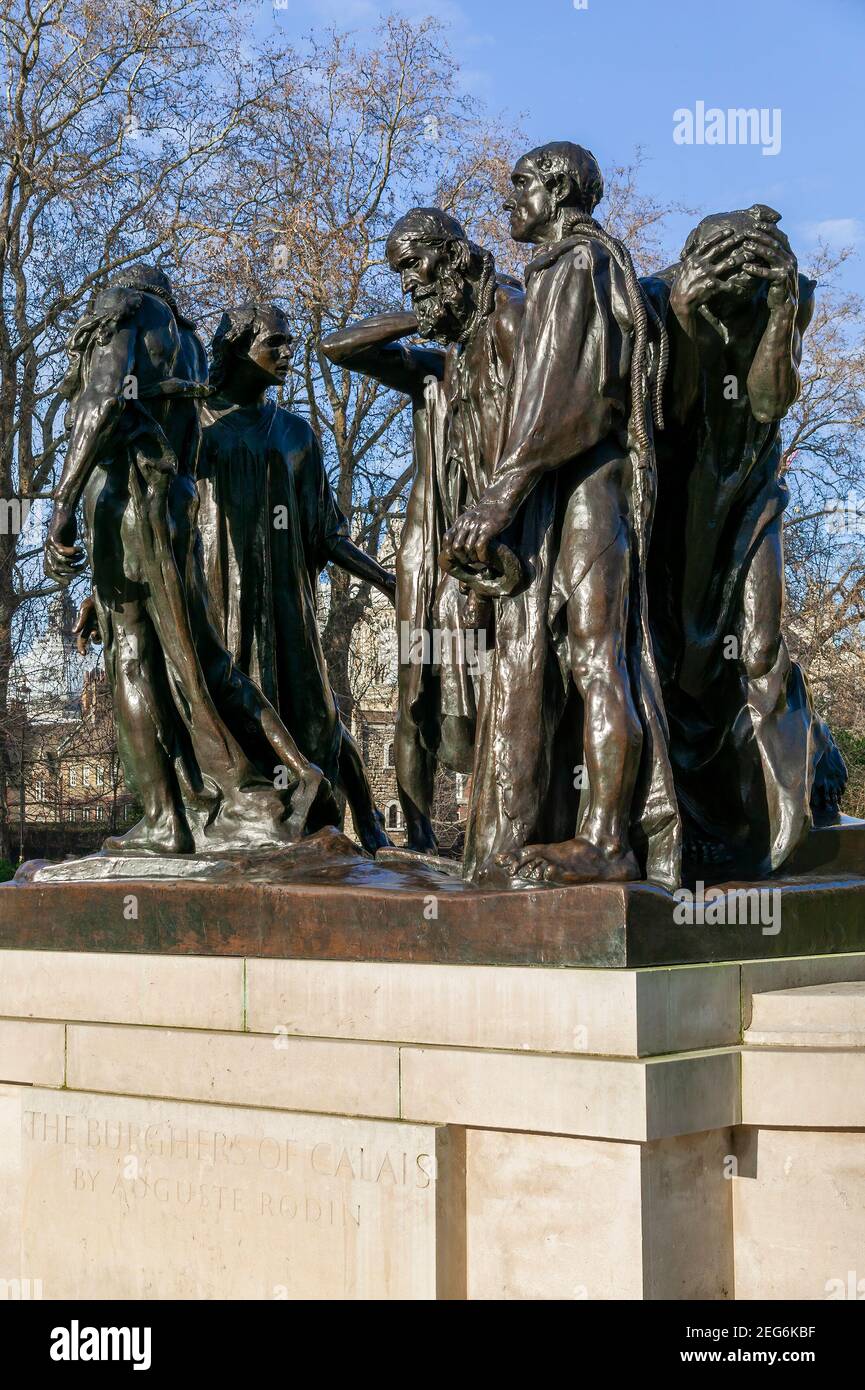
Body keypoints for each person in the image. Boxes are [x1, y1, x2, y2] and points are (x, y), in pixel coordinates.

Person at [443, 143, 680, 887]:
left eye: (518, 186)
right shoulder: (574, 266)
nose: (508, 200)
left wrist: (499, 493)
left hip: (585, 480)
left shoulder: (574, 264)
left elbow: (565, 401)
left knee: (596, 656)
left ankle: (607, 840)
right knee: (584, 658)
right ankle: (577, 830)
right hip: (567, 481)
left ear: (558, 190)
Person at [45, 266, 334, 856]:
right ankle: (295, 771)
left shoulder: (127, 311)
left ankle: (162, 821)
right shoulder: (194, 344)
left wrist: (61, 507)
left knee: (132, 661)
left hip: (125, 498)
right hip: (172, 511)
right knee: (207, 660)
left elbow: (100, 403)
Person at [642, 205, 846, 876]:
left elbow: (767, 400)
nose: (740, 284)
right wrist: (677, 312)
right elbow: (658, 416)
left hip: (747, 496)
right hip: (670, 508)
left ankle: (775, 829)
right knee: (677, 661)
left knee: (758, 643)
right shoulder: (655, 297)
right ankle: (691, 824)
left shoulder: (786, 294)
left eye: (753, 272)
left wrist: (783, 308)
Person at [321, 209, 524, 854]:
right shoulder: (432, 368)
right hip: (426, 547)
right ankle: (417, 833)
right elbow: (336, 347)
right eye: (398, 270)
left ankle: (506, 823)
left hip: (499, 538)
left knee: (497, 674)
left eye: (415, 264)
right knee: (415, 688)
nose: (407, 278)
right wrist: (425, 312)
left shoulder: (507, 342)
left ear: (452, 255)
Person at [198, 301, 396, 854]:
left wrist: (385, 580)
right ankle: (234, 822)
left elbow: (325, 533)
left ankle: (365, 819)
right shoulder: (196, 425)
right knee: (232, 711)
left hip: (288, 601)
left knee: (315, 713)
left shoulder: (296, 435)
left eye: (290, 344)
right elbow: (158, 515)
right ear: (239, 350)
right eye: (275, 344)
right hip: (220, 599)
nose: (288, 354)